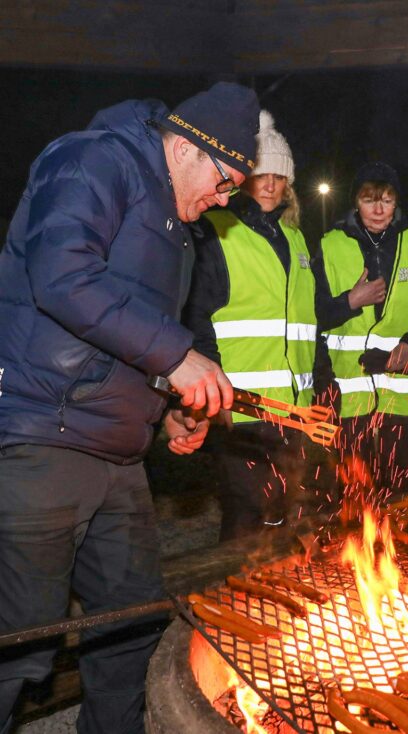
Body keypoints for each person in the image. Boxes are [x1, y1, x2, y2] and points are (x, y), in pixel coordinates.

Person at [0, 83, 258, 734]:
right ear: (187, 147)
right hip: (44, 432)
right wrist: (177, 356)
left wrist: (163, 409)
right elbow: (63, 277)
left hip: (116, 452)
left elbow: (122, 336)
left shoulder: (178, 231)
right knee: (21, 639)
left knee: (132, 620)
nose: (223, 201)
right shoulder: (92, 160)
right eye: (225, 183)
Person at [184, 110, 318, 540]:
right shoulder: (216, 230)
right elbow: (196, 317)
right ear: (242, 179)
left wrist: (321, 389)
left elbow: (307, 325)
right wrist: (213, 391)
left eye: (279, 176)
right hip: (242, 410)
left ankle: (285, 584)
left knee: (287, 517)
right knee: (246, 520)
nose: (270, 185)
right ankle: (233, 584)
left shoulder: (296, 239)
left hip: (295, 411)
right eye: (261, 175)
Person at [314, 162, 408, 507]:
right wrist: (349, 302)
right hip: (348, 390)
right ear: (355, 202)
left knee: (396, 487)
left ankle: (393, 537)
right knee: (352, 488)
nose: (378, 210)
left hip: (402, 387)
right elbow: (312, 316)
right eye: (369, 200)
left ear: (396, 202)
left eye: (386, 201)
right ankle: (354, 538)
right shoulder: (330, 245)